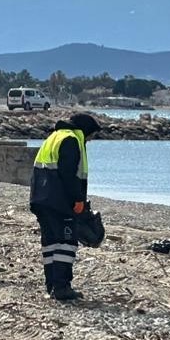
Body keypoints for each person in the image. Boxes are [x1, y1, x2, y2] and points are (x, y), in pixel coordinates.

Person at [30, 112, 100, 301]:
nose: (90, 140)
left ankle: (51, 285)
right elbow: (68, 174)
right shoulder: (71, 140)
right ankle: (62, 287)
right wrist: (78, 201)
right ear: (84, 131)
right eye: (91, 136)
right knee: (66, 243)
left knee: (50, 243)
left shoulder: (54, 137)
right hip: (59, 202)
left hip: (41, 199)